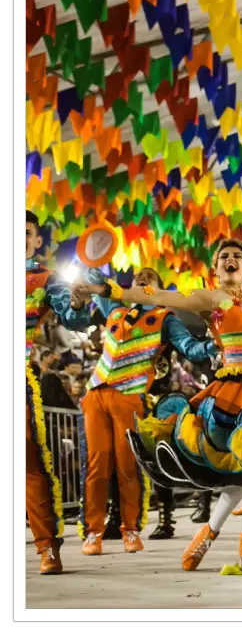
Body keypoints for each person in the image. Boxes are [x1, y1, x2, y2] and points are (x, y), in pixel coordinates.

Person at [116, 202, 242, 572]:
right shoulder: (211, 299)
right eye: (223, 256)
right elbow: (160, 297)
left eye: (237, 257)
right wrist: (111, 290)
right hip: (232, 394)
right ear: (216, 268)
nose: (230, 260)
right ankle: (209, 535)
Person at [69, 267, 219, 556]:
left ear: (159, 289)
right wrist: (91, 258)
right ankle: (93, 533)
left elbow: (192, 349)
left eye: (151, 276)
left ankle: (131, 530)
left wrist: (220, 337)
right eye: (140, 275)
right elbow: (98, 281)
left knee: (128, 467)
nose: (144, 277)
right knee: (96, 467)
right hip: (95, 394)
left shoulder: (166, 318)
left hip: (130, 397)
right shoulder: (114, 309)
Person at [25, 211, 95, 574]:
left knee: (27, 466)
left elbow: (75, 319)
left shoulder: (44, 279)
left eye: (27, 233)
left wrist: (80, 301)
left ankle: (46, 548)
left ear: (38, 242)